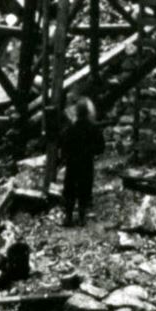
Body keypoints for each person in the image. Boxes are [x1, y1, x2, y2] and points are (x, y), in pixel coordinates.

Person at [57, 96, 103, 225]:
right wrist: (90, 151)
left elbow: (63, 146)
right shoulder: (94, 128)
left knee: (69, 189)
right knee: (85, 188)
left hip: (72, 163)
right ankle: (82, 217)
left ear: (76, 112)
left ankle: (68, 217)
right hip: (86, 162)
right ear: (88, 113)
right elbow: (101, 148)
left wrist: (65, 157)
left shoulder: (70, 129)